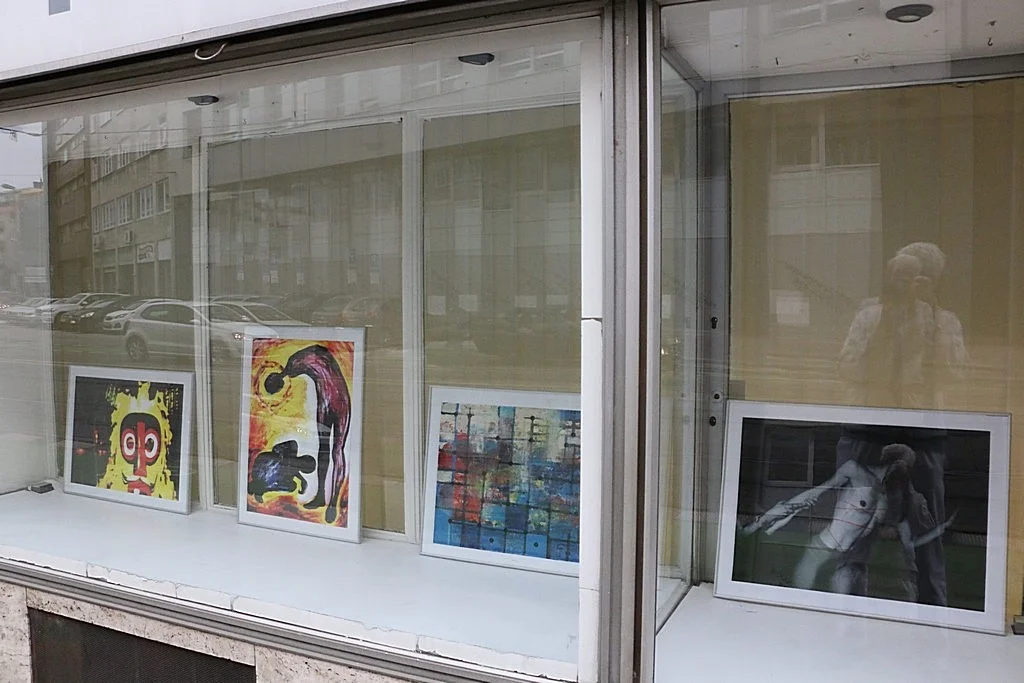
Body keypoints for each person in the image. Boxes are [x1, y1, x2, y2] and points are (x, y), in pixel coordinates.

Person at [835, 243, 968, 606]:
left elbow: (957, 376)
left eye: (914, 278)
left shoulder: (944, 322)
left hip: (923, 435)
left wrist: (932, 325)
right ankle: (846, 610)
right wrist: (885, 331)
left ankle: (934, 612)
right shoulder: (869, 317)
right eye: (898, 275)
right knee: (855, 530)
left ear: (930, 282)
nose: (905, 284)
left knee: (927, 535)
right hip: (866, 432)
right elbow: (846, 367)